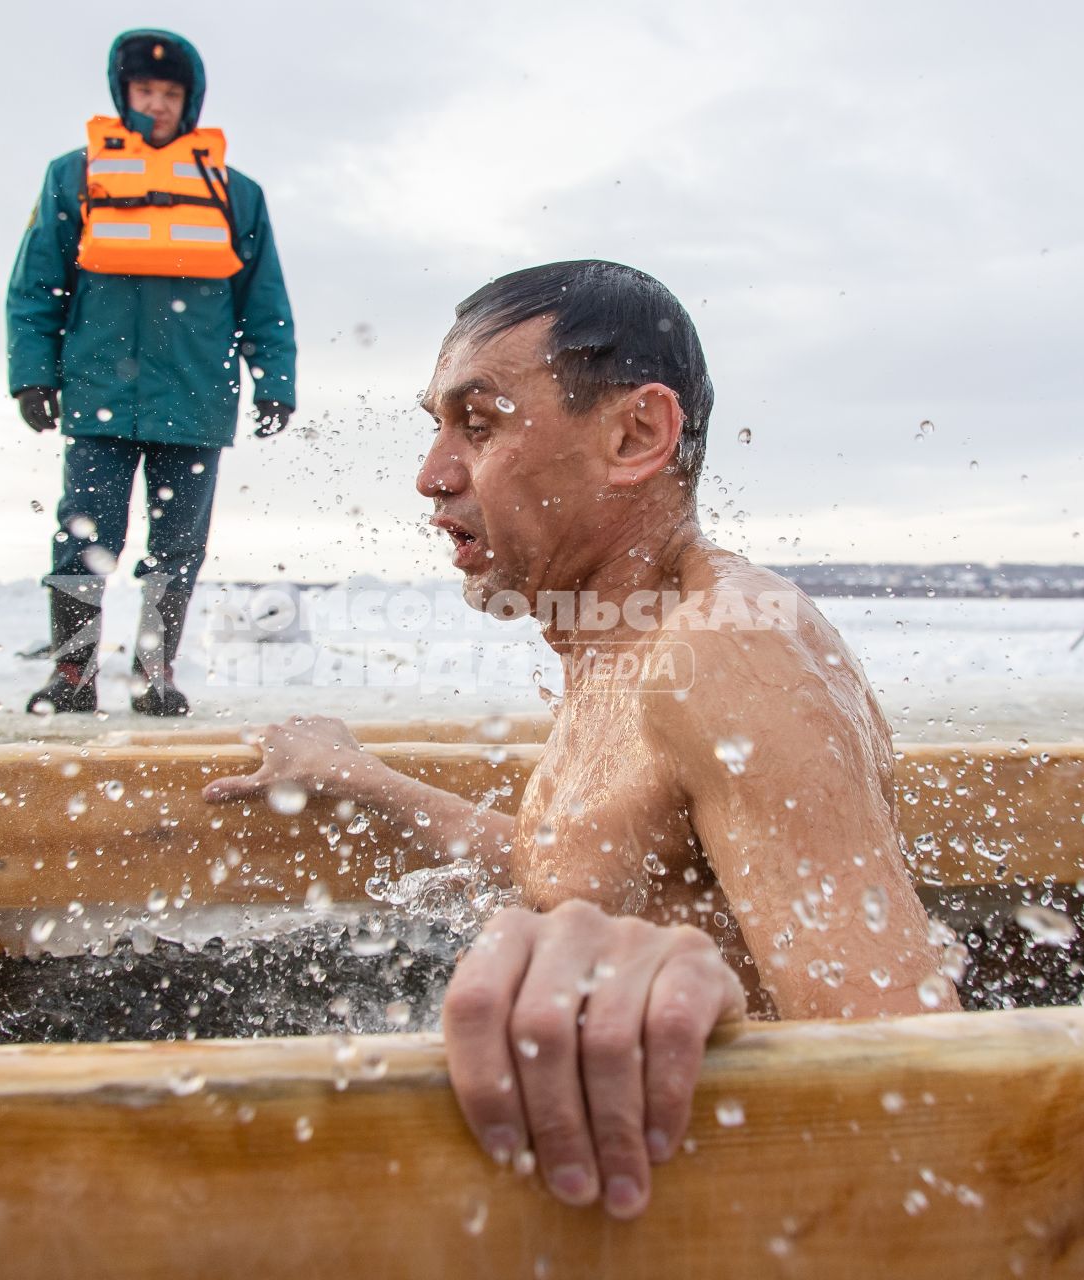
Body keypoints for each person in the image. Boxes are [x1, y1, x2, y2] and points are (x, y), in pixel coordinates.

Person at [205, 261, 956, 1218]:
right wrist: (363, 777)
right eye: (436, 429)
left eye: (477, 425)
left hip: (735, 1207)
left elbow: (914, 1084)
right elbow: (574, 864)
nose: (432, 477)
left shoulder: (729, 655)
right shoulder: (623, 636)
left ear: (635, 435)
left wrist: (712, 998)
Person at [7, 29, 296, 719]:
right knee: (83, 541)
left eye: (171, 94)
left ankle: (152, 676)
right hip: (99, 392)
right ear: (123, 93)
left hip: (197, 400)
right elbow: (36, 284)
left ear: (189, 102)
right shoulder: (72, 176)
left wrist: (275, 379)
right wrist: (31, 373)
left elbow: (265, 298)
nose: (158, 105)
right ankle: (71, 676)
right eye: (145, 91)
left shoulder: (236, 193)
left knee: (177, 551)